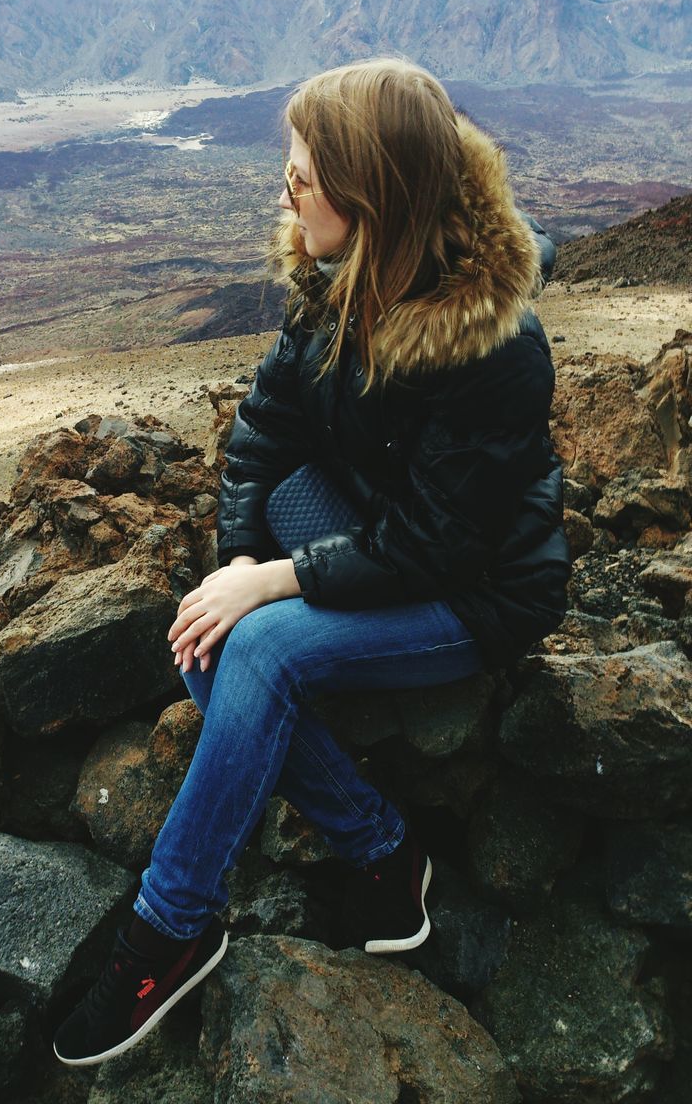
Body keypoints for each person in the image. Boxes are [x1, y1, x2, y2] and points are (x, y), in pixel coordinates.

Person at [53, 58, 570, 1067]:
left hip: (475, 586)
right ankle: (385, 856)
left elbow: (438, 543)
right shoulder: (330, 281)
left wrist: (273, 585)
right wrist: (240, 561)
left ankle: (169, 929)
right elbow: (260, 442)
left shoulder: (498, 345)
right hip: (371, 530)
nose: (285, 195)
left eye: (301, 177)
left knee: (260, 648)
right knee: (213, 641)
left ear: (369, 195)